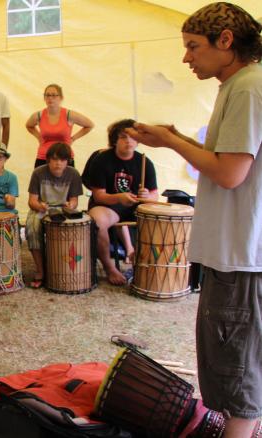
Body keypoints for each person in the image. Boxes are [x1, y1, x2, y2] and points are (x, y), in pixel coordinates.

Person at [127, 3, 262, 436]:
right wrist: (178, 140)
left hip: (240, 255)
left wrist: (169, 141)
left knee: (237, 383)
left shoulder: (246, 88)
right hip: (240, 252)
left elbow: (228, 173)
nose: (186, 58)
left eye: (193, 46)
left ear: (226, 40)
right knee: (242, 371)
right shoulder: (240, 84)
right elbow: (230, 159)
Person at [84, 119, 157, 286]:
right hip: (110, 205)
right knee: (96, 222)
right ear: (115, 139)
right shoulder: (102, 160)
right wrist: (119, 197)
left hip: (136, 206)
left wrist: (147, 196)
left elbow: (154, 195)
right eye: (124, 137)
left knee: (158, 220)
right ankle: (110, 269)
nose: (129, 141)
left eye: (133, 137)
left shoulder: (145, 162)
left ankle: (139, 260)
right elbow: (99, 196)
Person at [24, 143, 83, 288]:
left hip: (63, 209)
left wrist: (71, 205)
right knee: (31, 228)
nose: (58, 163)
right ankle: (40, 270)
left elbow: (74, 200)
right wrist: (40, 206)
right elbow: (32, 201)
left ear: (67, 161)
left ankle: (64, 268)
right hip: (42, 208)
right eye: (55, 159)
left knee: (76, 227)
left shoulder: (73, 173)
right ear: (48, 160)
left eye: (62, 160)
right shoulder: (38, 172)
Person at [25, 84, 94, 167]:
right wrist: (39, 137)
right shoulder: (38, 115)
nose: (50, 98)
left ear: (61, 98)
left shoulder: (69, 115)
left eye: (54, 95)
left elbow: (89, 125)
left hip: (64, 158)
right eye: (47, 95)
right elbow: (29, 125)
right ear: (44, 98)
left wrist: (73, 139)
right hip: (44, 158)